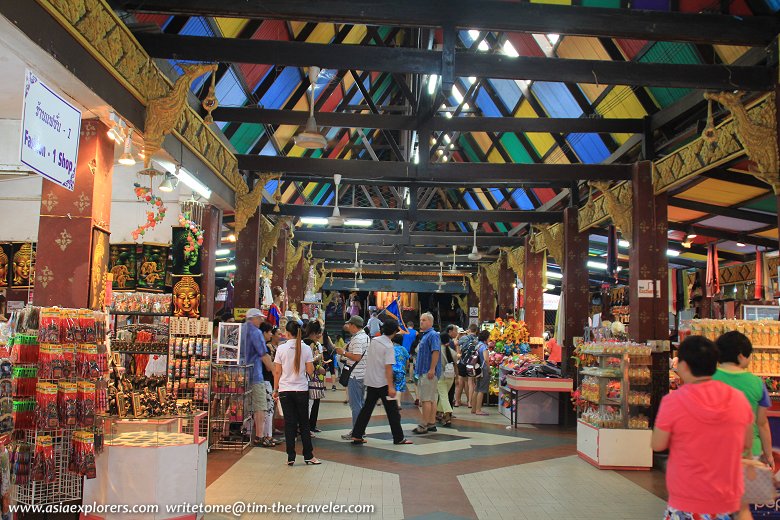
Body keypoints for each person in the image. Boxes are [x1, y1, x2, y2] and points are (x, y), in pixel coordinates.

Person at [652, 336, 753, 519]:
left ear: (683, 366)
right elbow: (746, 444)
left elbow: (658, 444)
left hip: (687, 502)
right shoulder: (739, 399)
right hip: (729, 502)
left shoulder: (673, 401)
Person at [349, 320, 413, 446]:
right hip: (383, 384)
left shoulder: (374, 341)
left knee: (366, 410)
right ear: (394, 332)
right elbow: (388, 368)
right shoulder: (389, 346)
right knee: (393, 412)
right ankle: (399, 438)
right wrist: (391, 387)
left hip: (371, 381)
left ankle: (357, 435)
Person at [272, 321, 321, 466]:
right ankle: (308, 455)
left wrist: (275, 389)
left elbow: (277, 372)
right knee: (304, 423)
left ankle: (291, 457)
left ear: (287, 333)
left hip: (285, 390)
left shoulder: (281, 348)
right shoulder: (305, 348)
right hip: (301, 390)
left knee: (290, 423)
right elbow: (310, 370)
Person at [243, 308, 276, 447]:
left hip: (239, 373)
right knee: (260, 406)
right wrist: (275, 372)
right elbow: (263, 354)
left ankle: (228, 431)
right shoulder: (255, 332)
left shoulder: (241, 329)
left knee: (240, 405)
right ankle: (260, 436)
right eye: (260, 318)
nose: (262, 320)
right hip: (255, 375)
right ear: (253, 318)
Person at [335, 316, 370, 440]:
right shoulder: (365, 337)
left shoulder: (357, 339)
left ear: (354, 326)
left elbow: (356, 357)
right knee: (360, 404)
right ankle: (360, 430)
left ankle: (356, 432)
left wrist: (343, 353)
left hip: (355, 375)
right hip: (363, 373)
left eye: (349, 324)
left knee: (355, 405)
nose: (348, 326)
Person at [412, 313, 440, 435]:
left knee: (426, 399)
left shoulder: (432, 335)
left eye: (424, 320)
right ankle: (431, 423)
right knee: (432, 399)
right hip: (425, 370)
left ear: (430, 322)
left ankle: (423, 424)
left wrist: (432, 369)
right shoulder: (426, 335)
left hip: (427, 371)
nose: (421, 322)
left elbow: (435, 352)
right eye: (420, 320)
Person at [303, 320, 326, 434]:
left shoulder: (312, 343)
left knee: (315, 401)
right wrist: (318, 366)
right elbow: (310, 361)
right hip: (311, 376)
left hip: (313, 376)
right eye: (318, 333)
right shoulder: (309, 343)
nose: (319, 335)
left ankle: (311, 425)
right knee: (311, 402)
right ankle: (307, 427)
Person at [436, 331, 457, 427]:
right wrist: (456, 376)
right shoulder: (452, 351)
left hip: (441, 377)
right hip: (451, 377)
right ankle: (439, 412)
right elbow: (456, 365)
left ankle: (447, 415)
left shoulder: (438, 351)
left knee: (443, 396)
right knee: (444, 395)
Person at [456, 324, 478, 407]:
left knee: (460, 382)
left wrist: (459, 353)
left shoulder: (464, 338)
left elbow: (456, 343)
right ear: (476, 330)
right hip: (472, 363)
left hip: (462, 362)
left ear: (469, 329)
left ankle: (457, 401)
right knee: (471, 382)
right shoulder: (477, 339)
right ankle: (470, 402)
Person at [471, 330, 491, 416]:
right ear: (486, 338)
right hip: (484, 369)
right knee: (482, 390)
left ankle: (473, 408)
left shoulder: (478, 345)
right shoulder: (484, 347)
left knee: (477, 388)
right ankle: (478, 410)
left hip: (477, 369)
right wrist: (489, 369)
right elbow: (486, 359)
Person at [391, 333, 410, 407]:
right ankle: (398, 403)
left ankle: (382, 401)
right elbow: (408, 360)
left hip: (391, 370)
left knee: (390, 386)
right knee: (398, 387)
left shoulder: (390, 348)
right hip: (400, 370)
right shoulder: (403, 349)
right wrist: (405, 368)